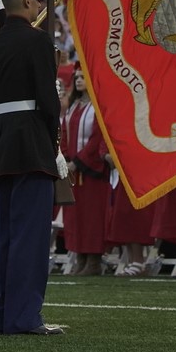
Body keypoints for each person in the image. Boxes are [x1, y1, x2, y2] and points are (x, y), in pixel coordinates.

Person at [0, 0, 63, 336]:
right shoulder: (37, 41)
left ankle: (3, 314)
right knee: (29, 237)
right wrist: (52, 139)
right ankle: (24, 317)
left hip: (0, 141)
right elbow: (48, 100)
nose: (39, 6)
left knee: (5, 236)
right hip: (30, 141)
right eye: (37, 0)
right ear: (27, 1)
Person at [60, 64, 108, 276]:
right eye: (77, 77)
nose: (79, 80)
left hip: (91, 171)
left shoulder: (97, 107)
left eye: (83, 77)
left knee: (91, 216)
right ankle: (80, 257)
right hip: (73, 170)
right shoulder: (73, 106)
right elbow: (63, 134)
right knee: (75, 217)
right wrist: (65, 158)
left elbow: (96, 139)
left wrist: (77, 162)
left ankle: (94, 260)